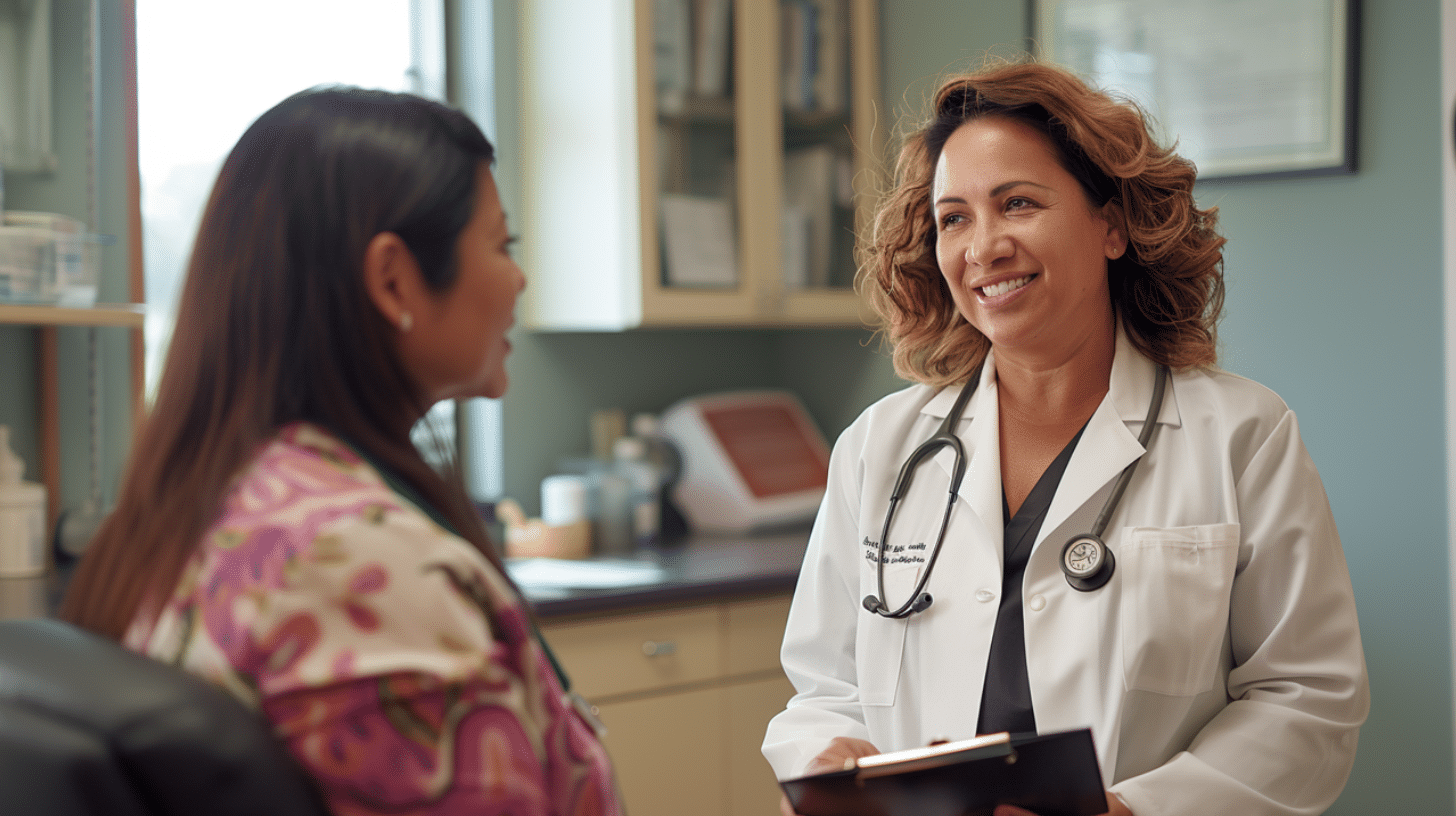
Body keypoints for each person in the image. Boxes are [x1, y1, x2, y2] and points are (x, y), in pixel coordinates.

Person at [762, 60, 1369, 816]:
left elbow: (1307, 697)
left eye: (1016, 203)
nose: (983, 248)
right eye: (954, 217)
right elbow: (825, 689)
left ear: (1111, 225)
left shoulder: (1240, 435)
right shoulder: (878, 449)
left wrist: (1135, 811)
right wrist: (829, 755)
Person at [60, 87, 622, 816]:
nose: (517, 277)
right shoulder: (360, 568)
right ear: (393, 280)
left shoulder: (208, 508)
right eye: (501, 245)